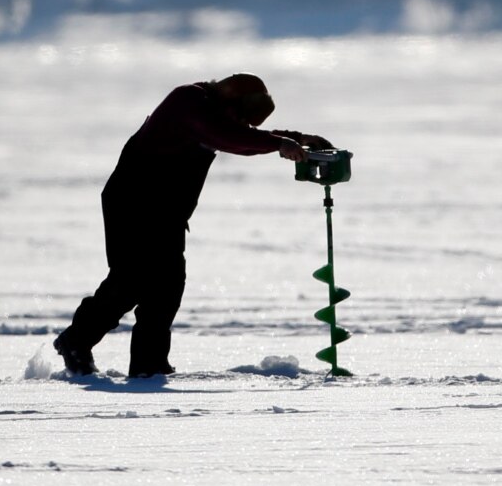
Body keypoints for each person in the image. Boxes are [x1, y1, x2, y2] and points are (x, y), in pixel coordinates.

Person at [54, 74, 332, 377]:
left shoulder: (214, 112)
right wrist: (279, 143)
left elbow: (237, 132)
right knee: (129, 281)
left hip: (166, 213)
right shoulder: (188, 102)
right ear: (229, 99)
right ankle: (75, 342)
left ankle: (149, 366)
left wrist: (298, 139)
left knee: (166, 288)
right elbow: (231, 137)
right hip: (131, 203)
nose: (242, 124)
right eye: (240, 116)